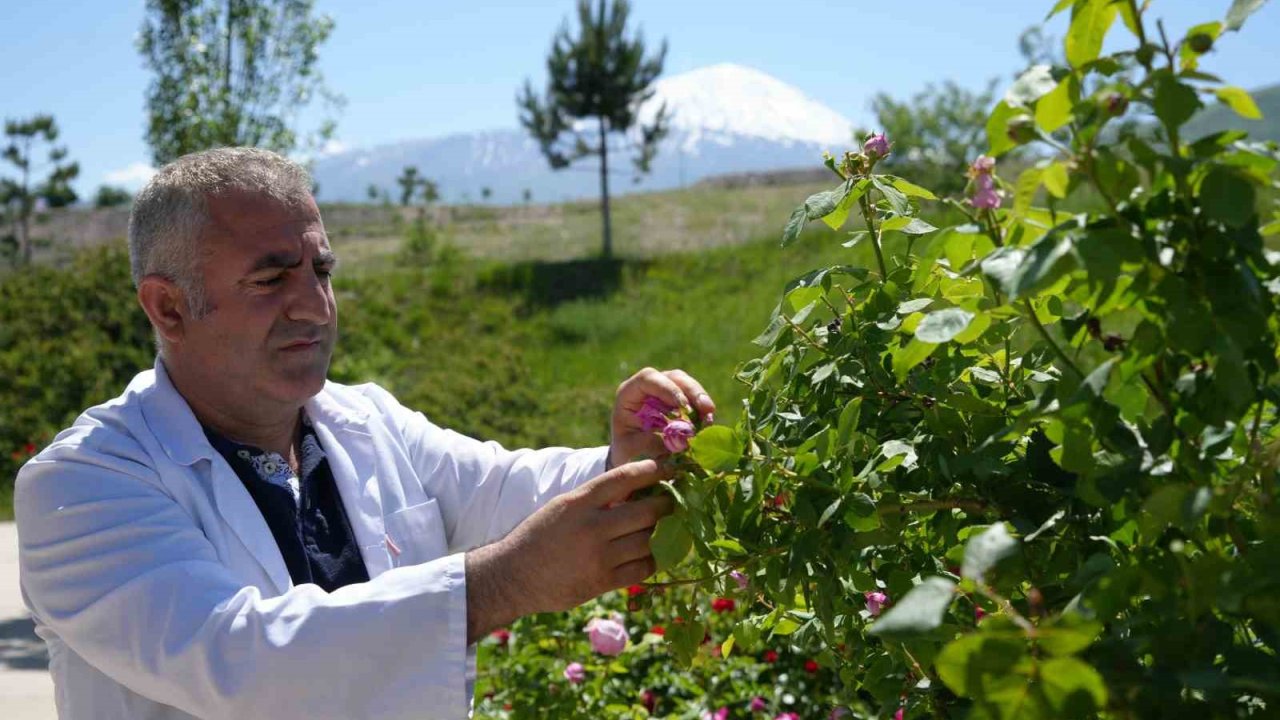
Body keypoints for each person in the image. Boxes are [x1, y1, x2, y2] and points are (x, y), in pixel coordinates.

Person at [14, 147, 716, 720]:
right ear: (168, 307)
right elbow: (241, 659)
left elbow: (503, 488)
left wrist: (626, 462)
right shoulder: (83, 484)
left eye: (322, 270)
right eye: (271, 278)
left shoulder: (364, 422)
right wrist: (505, 582)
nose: (316, 307)